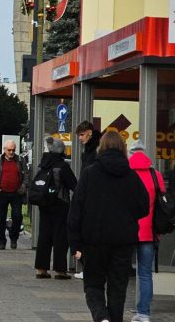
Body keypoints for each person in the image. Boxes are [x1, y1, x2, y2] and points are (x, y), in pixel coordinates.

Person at [68, 131, 150, 322]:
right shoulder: (131, 176)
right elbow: (143, 207)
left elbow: (76, 210)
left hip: (93, 240)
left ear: (101, 148)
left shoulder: (90, 173)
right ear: (123, 149)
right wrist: (126, 217)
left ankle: (101, 317)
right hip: (123, 241)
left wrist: (75, 244)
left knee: (93, 284)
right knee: (117, 288)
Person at [128, 139, 164, 322]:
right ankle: (144, 313)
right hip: (149, 232)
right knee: (144, 273)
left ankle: (116, 309)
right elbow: (162, 198)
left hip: (126, 230)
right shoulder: (155, 174)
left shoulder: (125, 173)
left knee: (118, 271)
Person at [33, 136, 77, 279]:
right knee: (60, 237)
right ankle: (60, 270)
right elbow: (74, 185)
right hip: (60, 205)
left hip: (44, 204)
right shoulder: (63, 166)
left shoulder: (43, 164)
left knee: (44, 236)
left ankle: (41, 269)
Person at [0, 139, 28, 250]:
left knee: (17, 216)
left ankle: (14, 238)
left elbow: (26, 176)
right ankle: (1, 240)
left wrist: (23, 188)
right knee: (0, 218)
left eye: (13, 150)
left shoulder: (20, 160)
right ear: (4, 149)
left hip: (16, 193)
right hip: (1, 193)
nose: (11, 152)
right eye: (9, 150)